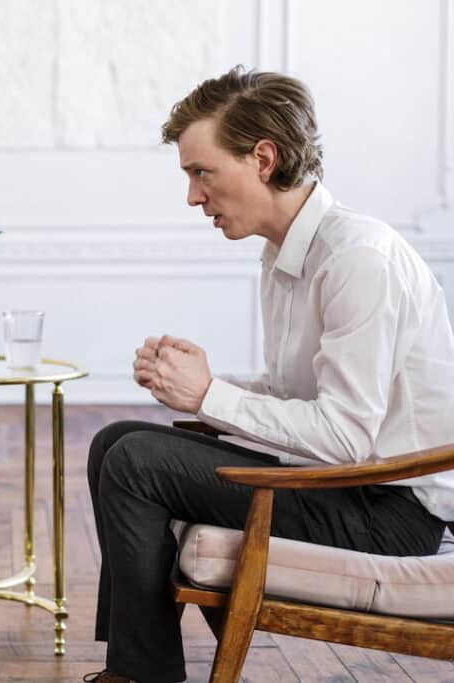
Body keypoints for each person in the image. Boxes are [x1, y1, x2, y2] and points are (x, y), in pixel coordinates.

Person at [85, 66, 454, 683]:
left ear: (262, 157)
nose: (193, 196)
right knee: (114, 441)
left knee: (136, 462)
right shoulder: (285, 253)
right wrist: (205, 386)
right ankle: (139, 669)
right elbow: (297, 400)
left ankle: (141, 677)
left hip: (390, 509)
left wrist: (210, 396)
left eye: (202, 173)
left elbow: (345, 439)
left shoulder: (357, 257)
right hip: (345, 485)